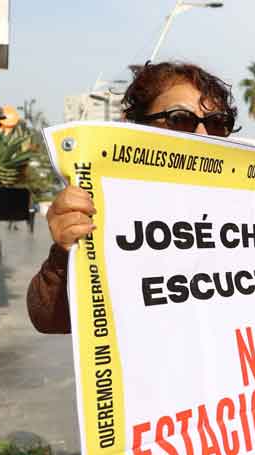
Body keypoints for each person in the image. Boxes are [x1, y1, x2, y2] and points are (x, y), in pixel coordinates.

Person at [27, 61, 238, 334]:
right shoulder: (99, 207)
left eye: (217, 124)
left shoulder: (248, 210)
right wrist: (65, 254)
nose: (202, 135)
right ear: (133, 126)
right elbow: (49, 320)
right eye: (180, 120)